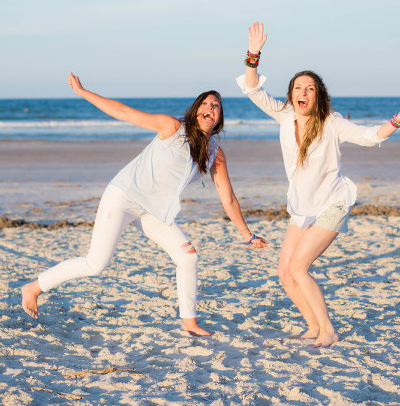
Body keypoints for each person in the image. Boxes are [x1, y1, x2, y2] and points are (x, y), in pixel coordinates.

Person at [22, 72, 267, 337]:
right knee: (96, 264)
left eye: (216, 106)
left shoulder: (214, 153)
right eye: (206, 103)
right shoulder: (172, 127)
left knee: (188, 257)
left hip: (154, 211)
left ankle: (190, 323)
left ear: (219, 117)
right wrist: (83, 92)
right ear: (196, 110)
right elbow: (124, 112)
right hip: (123, 197)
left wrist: (247, 234)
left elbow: (227, 197)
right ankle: (34, 287)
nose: (211, 107)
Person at [237, 23, 400, 347]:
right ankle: (312, 327)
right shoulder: (284, 116)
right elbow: (253, 90)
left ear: (318, 95)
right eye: (298, 88)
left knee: (299, 267)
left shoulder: (332, 123)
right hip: (301, 206)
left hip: (331, 204)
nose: (303, 93)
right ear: (291, 94)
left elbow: (369, 137)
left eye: (310, 88)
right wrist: (253, 54)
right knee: (284, 271)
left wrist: (398, 119)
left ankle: (329, 331)